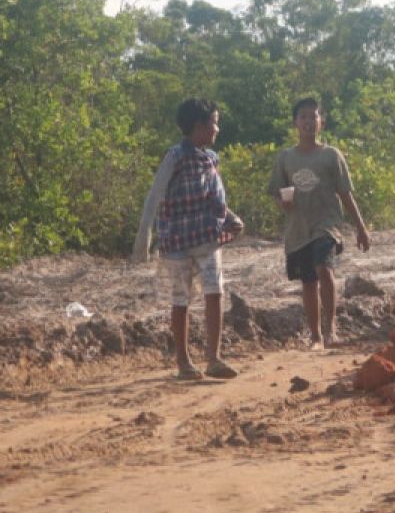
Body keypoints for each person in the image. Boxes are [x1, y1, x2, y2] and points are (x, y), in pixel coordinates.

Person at [132, 97, 244, 380]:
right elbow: (155, 195)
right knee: (180, 299)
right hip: (178, 241)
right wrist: (143, 237)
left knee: (214, 291)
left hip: (207, 237)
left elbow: (213, 198)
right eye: (214, 123)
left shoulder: (210, 159)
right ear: (199, 126)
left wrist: (231, 219)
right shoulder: (175, 156)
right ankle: (183, 362)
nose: (217, 129)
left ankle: (214, 358)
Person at [267, 97, 371, 349]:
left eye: (313, 116)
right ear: (295, 122)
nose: (308, 121)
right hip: (299, 228)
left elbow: (345, 193)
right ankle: (315, 336)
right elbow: (276, 191)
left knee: (325, 270)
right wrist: (283, 202)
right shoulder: (286, 157)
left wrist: (361, 227)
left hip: (327, 225)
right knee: (308, 282)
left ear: (321, 121)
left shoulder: (331, 155)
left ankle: (331, 331)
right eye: (303, 116)